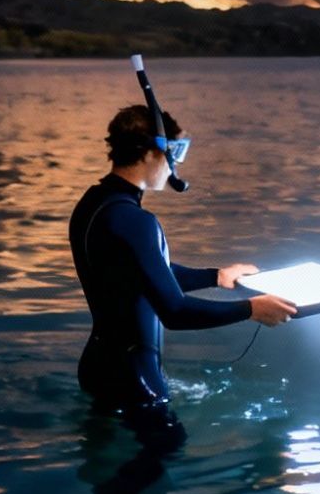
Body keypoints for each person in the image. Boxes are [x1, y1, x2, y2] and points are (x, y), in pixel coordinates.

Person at [69, 105, 297, 447]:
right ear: (151, 153)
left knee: (106, 460)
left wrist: (216, 276)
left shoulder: (94, 203)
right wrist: (252, 309)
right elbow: (174, 312)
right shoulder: (136, 222)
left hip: (98, 366)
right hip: (135, 376)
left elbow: (143, 273)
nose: (175, 164)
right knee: (164, 453)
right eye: (174, 152)